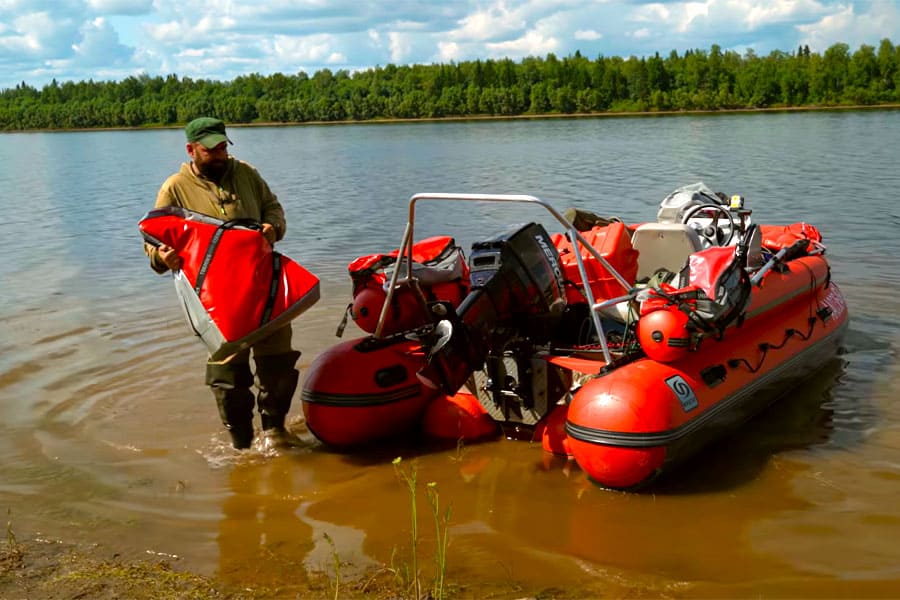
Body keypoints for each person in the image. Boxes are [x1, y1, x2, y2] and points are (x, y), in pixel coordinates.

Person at [144, 117, 301, 450]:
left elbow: (273, 206)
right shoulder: (174, 188)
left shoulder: (246, 173)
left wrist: (273, 226)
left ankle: (275, 433)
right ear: (191, 149)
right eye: (210, 149)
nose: (219, 154)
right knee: (228, 376)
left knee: (278, 364)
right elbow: (154, 239)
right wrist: (163, 257)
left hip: (264, 285)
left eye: (222, 147)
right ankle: (241, 444)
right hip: (215, 297)